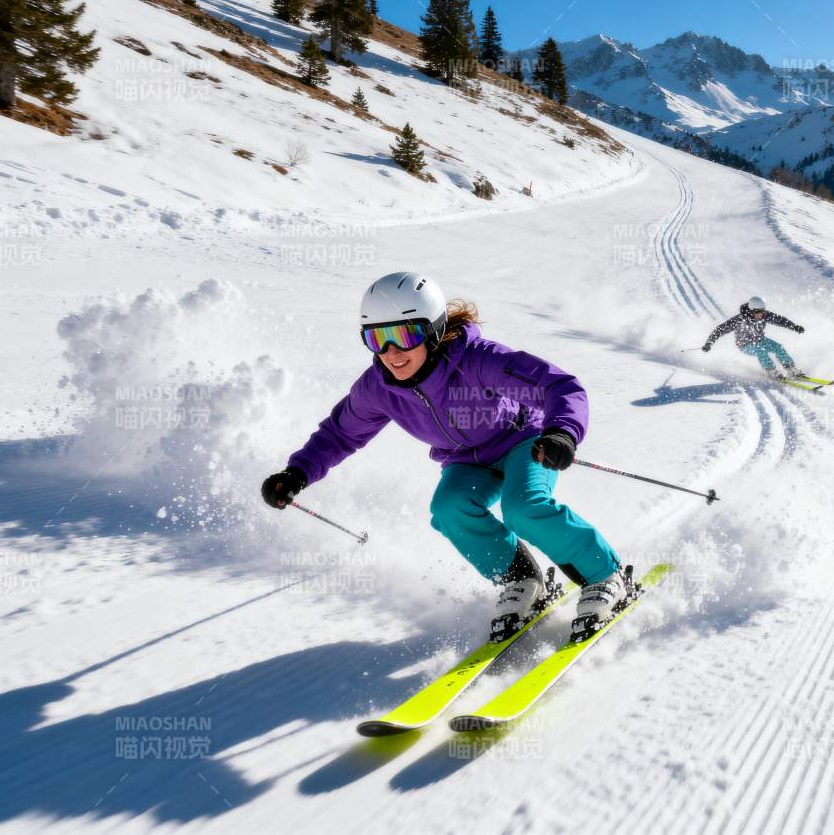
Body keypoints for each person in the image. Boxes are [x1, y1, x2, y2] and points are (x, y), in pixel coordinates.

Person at [261, 271, 627, 640]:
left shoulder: (478, 360)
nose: (392, 352)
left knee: (522, 507)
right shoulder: (379, 388)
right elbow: (341, 433)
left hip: (524, 441)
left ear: (433, 330)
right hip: (466, 460)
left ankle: (604, 576)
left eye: (405, 335)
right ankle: (522, 580)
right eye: (377, 339)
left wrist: (562, 432)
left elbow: (558, 386)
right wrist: (297, 472)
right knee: (449, 509)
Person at [701, 296, 806, 378]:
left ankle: (790, 368)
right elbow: (720, 330)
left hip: (761, 340)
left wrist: (794, 327)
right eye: (758, 312)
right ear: (751, 310)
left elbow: (780, 320)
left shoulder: (764, 315)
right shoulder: (739, 320)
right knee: (761, 350)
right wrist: (709, 343)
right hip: (745, 345)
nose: (761, 314)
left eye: (762, 310)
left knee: (778, 347)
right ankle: (771, 371)